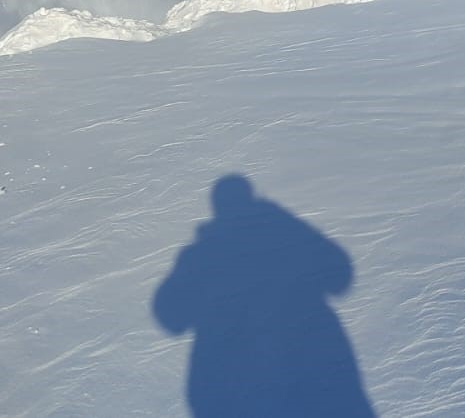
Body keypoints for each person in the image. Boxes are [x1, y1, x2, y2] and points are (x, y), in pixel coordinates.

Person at [152, 175, 375, 417]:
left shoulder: (199, 257)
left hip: (233, 384)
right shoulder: (292, 237)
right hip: (310, 371)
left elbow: (171, 317)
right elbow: (340, 276)